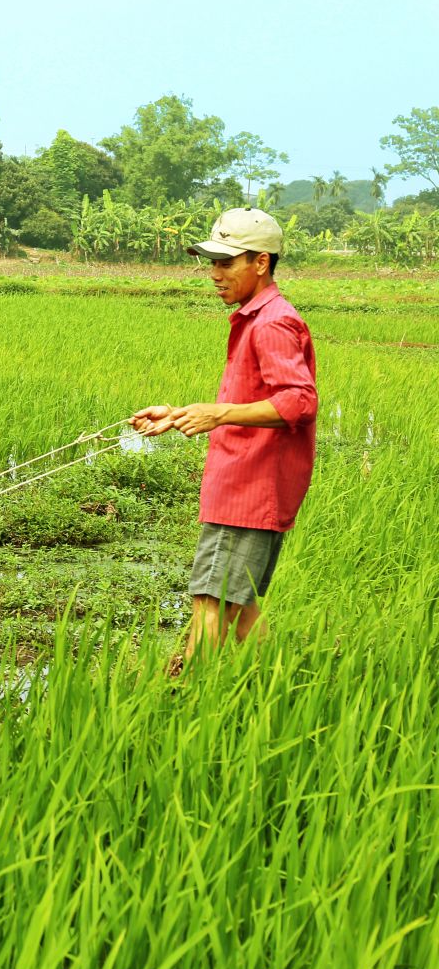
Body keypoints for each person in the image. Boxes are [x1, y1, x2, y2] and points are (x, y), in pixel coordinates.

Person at [132, 208, 317, 667]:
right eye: (211, 262)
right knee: (241, 610)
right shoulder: (254, 318)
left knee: (210, 602)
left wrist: (217, 414)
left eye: (226, 263)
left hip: (248, 491)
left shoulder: (272, 321)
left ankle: (185, 703)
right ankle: (284, 691)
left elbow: (298, 402)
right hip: (243, 485)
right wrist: (180, 415)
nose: (214, 274)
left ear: (261, 262)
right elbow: (251, 401)